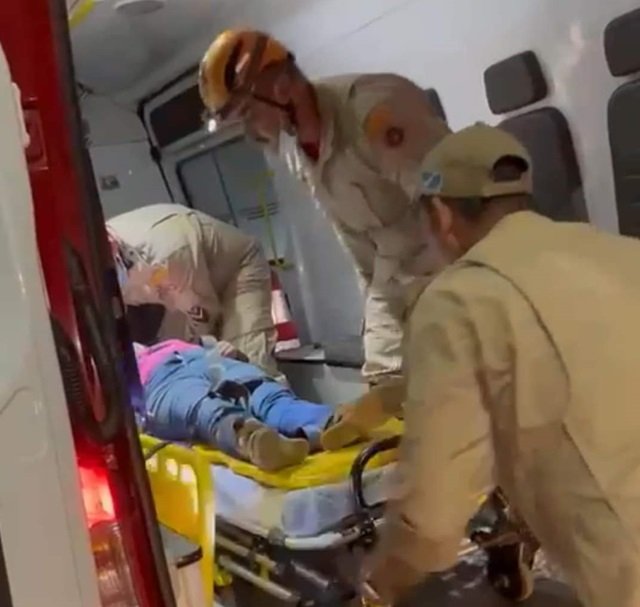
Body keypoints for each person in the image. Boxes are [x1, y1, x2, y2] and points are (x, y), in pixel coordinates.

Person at [362, 123, 640, 607]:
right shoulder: (623, 251)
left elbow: (432, 512)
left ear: (441, 215)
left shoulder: (458, 299)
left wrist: (379, 583)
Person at [198, 29, 450, 388]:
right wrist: (375, 309)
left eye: (249, 114)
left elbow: (451, 197)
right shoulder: (292, 149)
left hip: (447, 260)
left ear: (281, 89)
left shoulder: (373, 110)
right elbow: (353, 234)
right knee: (385, 386)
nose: (249, 132)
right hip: (391, 277)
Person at [135, 337, 385, 472]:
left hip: (207, 358)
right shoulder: (121, 374)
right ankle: (255, 441)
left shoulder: (174, 341)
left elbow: (227, 351)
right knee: (206, 409)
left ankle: (332, 423)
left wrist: (229, 350)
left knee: (268, 397)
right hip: (158, 382)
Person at [107, 203, 279, 376]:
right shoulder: (97, 260)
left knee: (249, 363)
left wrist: (208, 357)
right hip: (178, 285)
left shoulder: (167, 253)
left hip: (235, 271)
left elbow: (201, 315)